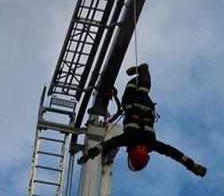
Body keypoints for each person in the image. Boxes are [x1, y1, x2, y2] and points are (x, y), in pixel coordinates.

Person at [78, 63, 207, 177]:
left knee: (143, 89)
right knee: (132, 87)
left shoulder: (151, 143)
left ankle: (143, 71)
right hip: (131, 102)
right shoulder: (128, 139)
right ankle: (142, 71)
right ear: (130, 155)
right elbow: (107, 144)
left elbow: (173, 152)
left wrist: (192, 165)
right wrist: (90, 154)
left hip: (148, 107)